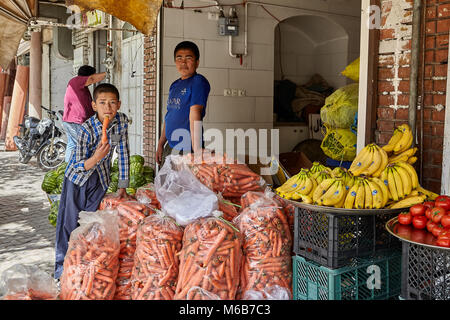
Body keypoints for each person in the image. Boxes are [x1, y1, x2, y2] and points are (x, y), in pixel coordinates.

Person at [54, 83, 130, 279]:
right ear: (94, 106)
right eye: (103, 103)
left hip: (100, 179)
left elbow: (123, 153)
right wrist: (96, 157)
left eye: (112, 103)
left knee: (91, 224)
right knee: (68, 224)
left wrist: (123, 185)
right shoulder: (86, 130)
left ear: (119, 105)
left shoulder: (121, 122)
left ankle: (85, 265)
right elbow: (77, 163)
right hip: (77, 180)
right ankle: (62, 270)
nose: (108, 108)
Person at [156, 41, 211, 167]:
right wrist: (160, 144)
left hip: (186, 147)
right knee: (167, 184)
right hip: (170, 145)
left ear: (197, 62)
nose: (183, 62)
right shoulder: (175, 85)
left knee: (183, 185)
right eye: (179, 58)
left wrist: (196, 150)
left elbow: (195, 113)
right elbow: (169, 116)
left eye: (188, 58)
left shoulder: (198, 82)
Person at [62, 65, 107, 163]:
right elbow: (92, 79)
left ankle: (68, 168)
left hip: (71, 121)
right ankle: (78, 168)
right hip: (75, 121)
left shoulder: (81, 87)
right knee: (82, 145)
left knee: (73, 145)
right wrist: (108, 72)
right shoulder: (76, 81)